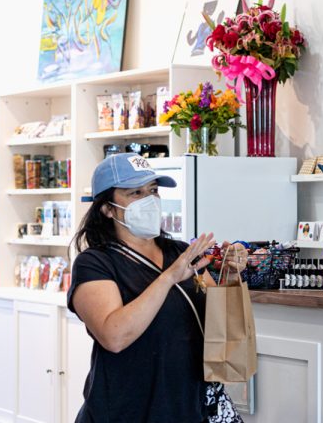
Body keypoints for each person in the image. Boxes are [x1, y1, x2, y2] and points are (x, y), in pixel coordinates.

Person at [68, 153, 220, 422]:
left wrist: (232, 271)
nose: (149, 200)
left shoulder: (180, 252)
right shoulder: (94, 263)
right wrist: (169, 277)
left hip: (186, 409)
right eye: (135, 193)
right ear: (107, 208)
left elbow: (217, 320)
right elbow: (114, 337)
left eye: (153, 190)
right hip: (124, 413)